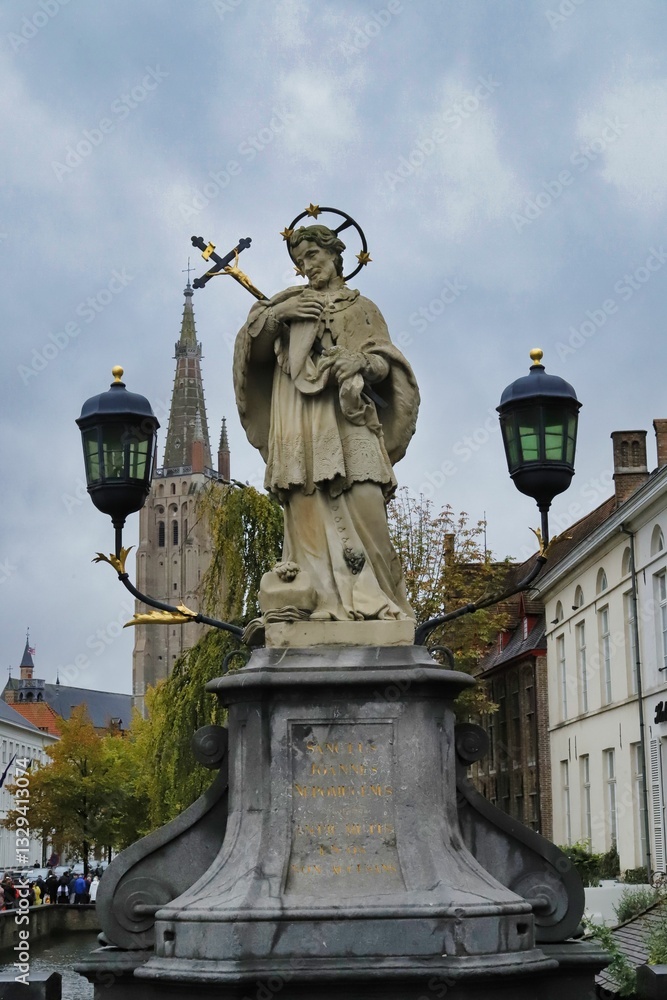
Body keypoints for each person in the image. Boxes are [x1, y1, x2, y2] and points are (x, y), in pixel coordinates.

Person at [234, 223, 419, 629]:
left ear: (335, 254)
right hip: (302, 426)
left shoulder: (362, 307)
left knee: (369, 505)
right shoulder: (288, 304)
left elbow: (384, 359)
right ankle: (319, 606)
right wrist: (280, 315)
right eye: (300, 261)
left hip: (351, 418)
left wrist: (362, 364)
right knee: (307, 507)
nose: (307, 267)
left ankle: (386, 609)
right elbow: (255, 351)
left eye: (313, 256)